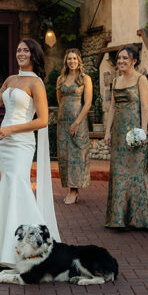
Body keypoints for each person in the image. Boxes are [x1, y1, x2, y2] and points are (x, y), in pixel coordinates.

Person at [0, 39, 61, 267]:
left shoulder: (37, 84)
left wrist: (11, 129)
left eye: (26, 50)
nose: (21, 53)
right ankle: (2, 248)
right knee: (8, 185)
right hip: (6, 143)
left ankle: (37, 245)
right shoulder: (11, 79)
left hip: (21, 141)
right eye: (18, 50)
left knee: (18, 185)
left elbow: (42, 120)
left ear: (34, 55)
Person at [104, 46, 148, 229]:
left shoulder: (141, 79)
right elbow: (112, 107)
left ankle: (140, 219)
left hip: (134, 132)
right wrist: (107, 131)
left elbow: (145, 106)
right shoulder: (116, 80)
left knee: (137, 173)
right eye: (119, 58)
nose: (121, 61)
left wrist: (143, 132)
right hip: (119, 133)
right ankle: (118, 219)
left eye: (125, 58)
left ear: (134, 60)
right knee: (119, 174)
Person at [56, 48, 92, 205]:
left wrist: (76, 122)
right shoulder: (61, 79)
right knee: (64, 155)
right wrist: (65, 117)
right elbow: (60, 100)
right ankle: (70, 188)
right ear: (66, 61)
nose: (71, 62)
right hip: (62, 122)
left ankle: (74, 190)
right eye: (69, 59)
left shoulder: (85, 79)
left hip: (78, 122)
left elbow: (88, 103)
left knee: (77, 155)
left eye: (74, 59)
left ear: (79, 61)